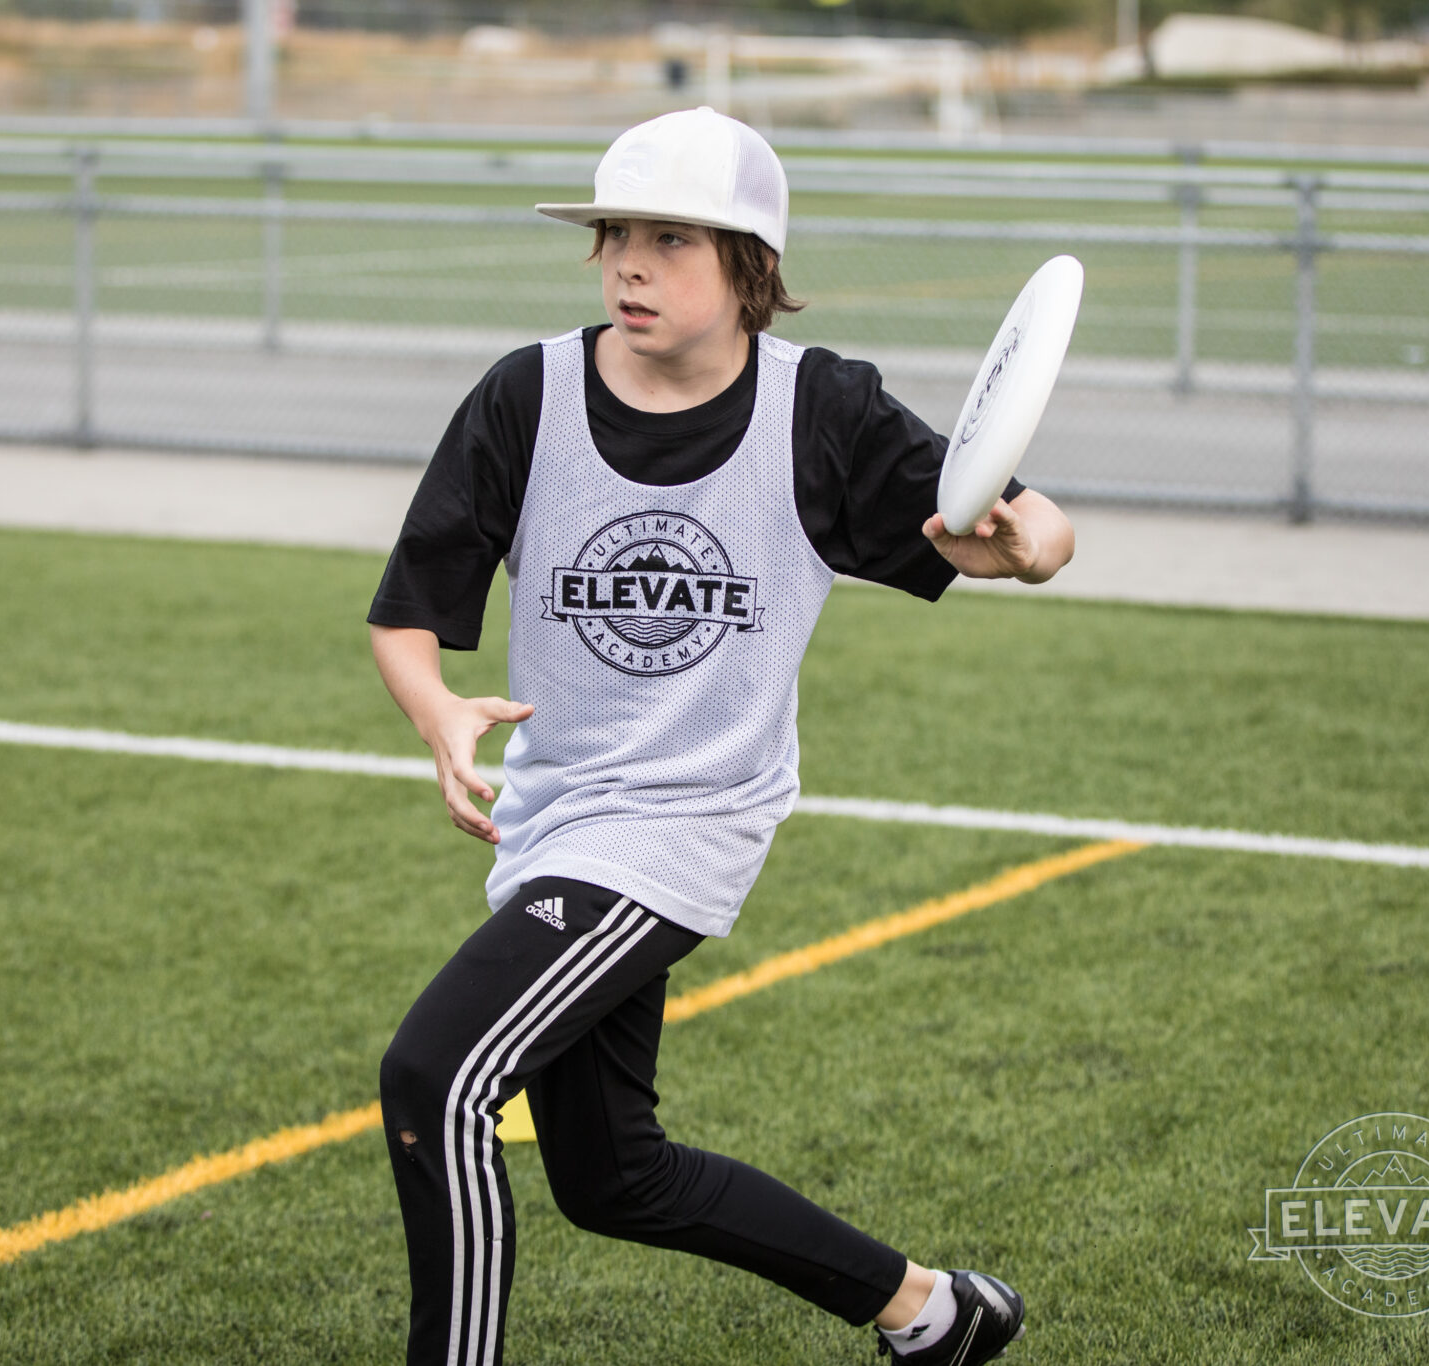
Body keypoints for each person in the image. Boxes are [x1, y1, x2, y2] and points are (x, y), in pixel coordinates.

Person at [368, 107, 1072, 1366]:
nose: (628, 265)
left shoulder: (821, 411)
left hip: (686, 822)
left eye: (669, 240)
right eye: (614, 236)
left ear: (750, 267)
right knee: (613, 1176)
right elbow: (407, 616)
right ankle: (931, 1311)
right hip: (554, 818)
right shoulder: (526, 394)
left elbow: (1030, 523)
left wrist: (1024, 548)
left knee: (436, 1076)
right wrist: (439, 713)